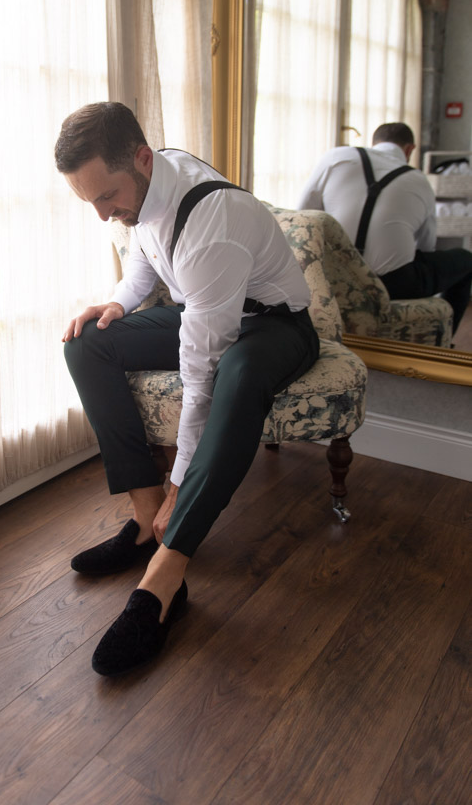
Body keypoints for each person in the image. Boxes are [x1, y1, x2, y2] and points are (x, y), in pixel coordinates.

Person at [55, 101, 319, 676]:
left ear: (142, 160)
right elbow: (148, 256)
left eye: (106, 197)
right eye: (90, 201)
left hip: (277, 324)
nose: (102, 215)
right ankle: (145, 516)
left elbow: (201, 371)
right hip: (207, 304)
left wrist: (181, 482)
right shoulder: (149, 184)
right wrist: (120, 303)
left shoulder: (211, 224)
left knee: (236, 376)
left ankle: (165, 575)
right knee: (88, 341)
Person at [297, 122, 472, 334]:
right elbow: (426, 245)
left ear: (374, 143)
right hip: (391, 284)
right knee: (466, 260)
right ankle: (445, 341)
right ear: (410, 150)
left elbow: (303, 215)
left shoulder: (337, 157)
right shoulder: (420, 180)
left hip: (331, 276)